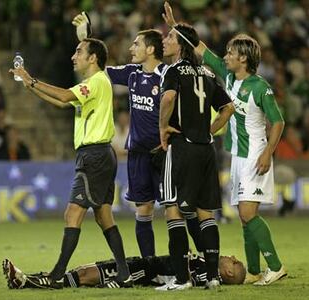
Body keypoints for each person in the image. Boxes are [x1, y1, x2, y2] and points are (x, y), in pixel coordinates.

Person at [163, 1, 287, 286]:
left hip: (256, 151)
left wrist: (269, 151)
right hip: (237, 155)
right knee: (245, 217)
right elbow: (198, 47)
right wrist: (174, 25)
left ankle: (276, 266)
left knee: (246, 213)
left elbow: (278, 122)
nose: (226, 55)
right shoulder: (228, 77)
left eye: (231, 52)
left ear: (244, 58)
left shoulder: (260, 87)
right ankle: (255, 270)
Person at [72, 13, 205, 259]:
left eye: (136, 44)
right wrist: (86, 39)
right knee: (143, 210)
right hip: (138, 154)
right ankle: (150, 266)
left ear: (151, 49)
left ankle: (194, 260)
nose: (131, 48)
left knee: (175, 209)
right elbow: (97, 70)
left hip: (164, 153)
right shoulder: (132, 73)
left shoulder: (169, 74)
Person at [9, 38, 131, 289]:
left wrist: (31, 79)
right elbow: (61, 101)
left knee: (72, 212)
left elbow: (64, 96)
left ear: (93, 58)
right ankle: (124, 273)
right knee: (103, 215)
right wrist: (29, 86)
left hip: (94, 156)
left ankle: (55, 276)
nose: (73, 56)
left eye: (78, 52)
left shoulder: (96, 82)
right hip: (101, 154)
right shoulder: (92, 85)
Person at [157, 22, 235, 291]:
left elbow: (168, 99)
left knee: (173, 209)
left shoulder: (174, 70)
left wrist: (162, 128)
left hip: (182, 147)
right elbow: (228, 108)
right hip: (205, 150)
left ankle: (181, 279)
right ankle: (212, 277)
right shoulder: (207, 72)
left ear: (180, 45)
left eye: (169, 37)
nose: (164, 41)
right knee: (206, 212)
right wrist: (208, 130)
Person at [2, 253, 246, 289]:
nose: (232, 258)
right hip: (143, 262)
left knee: (87, 275)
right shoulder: (207, 261)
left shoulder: (206, 274)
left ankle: (28, 282)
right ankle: (27, 279)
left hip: (145, 271)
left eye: (235, 263)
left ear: (230, 275)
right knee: (85, 270)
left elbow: (188, 281)